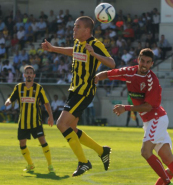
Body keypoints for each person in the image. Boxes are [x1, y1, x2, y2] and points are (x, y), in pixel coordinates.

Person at [95, 48, 173, 185]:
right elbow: (108, 73)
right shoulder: (129, 72)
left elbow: (147, 106)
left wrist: (126, 108)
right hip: (150, 121)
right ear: (138, 60)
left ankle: (167, 182)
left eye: (148, 62)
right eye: (142, 61)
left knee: (145, 152)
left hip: (156, 118)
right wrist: (96, 77)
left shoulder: (152, 80)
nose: (144, 64)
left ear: (152, 63)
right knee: (168, 159)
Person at [41, 16, 115, 176]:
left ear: (87, 30)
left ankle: (84, 162)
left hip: (84, 91)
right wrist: (53, 48)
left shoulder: (96, 44)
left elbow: (111, 63)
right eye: (74, 26)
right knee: (72, 129)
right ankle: (102, 151)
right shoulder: (77, 43)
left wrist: (94, 54)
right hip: (75, 90)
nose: (74, 29)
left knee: (61, 124)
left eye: (77, 27)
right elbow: (73, 51)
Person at [4, 65, 55, 172]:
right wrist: (8, 101)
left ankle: (50, 165)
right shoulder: (18, 87)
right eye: (27, 73)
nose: (29, 75)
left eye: (31, 73)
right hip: (23, 122)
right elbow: (11, 97)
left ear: (34, 75)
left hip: (36, 121)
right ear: (24, 75)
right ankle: (30, 164)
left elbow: (46, 103)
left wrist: (50, 116)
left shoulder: (39, 88)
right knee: (22, 143)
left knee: (42, 140)